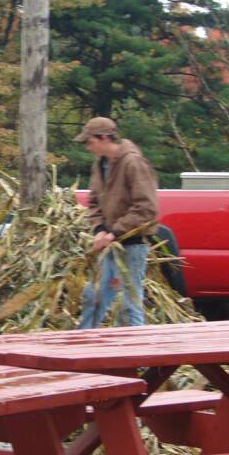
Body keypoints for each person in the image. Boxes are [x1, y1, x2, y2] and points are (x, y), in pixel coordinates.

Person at [74, 117, 158, 329]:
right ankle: (83, 347)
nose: (88, 147)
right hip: (111, 243)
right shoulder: (100, 164)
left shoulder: (133, 162)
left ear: (104, 137)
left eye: (90, 141)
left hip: (133, 244)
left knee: (128, 303)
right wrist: (100, 230)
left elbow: (146, 208)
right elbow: (93, 201)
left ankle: (135, 358)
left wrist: (113, 233)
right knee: (93, 296)